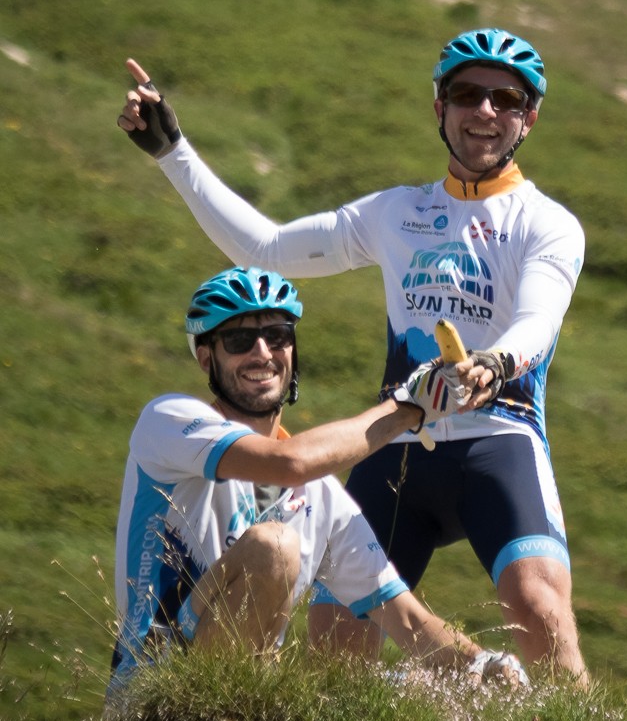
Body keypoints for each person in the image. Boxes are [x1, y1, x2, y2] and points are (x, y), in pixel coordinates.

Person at [117, 30, 589, 680]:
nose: (484, 110)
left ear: (528, 118)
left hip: (498, 436)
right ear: (440, 107)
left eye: (505, 99)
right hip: (398, 438)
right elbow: (267, 249)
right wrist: (174, 153)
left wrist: (497, 363)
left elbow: (538, 316)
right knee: (336, 646)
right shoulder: (396, 213)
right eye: (466, 94)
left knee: (538, 608)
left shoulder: (548, 223)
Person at [112, 267, 526, 688]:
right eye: (239, 341)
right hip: (152, 693)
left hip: (245, 707)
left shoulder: (319, 496)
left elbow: (406, 620)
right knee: (275, 548)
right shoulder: (168, 421)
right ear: (206, 359)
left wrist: (485, 663)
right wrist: (407, 409)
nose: (262, 354)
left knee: (410, 684)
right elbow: (289, 463)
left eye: (277, 337)